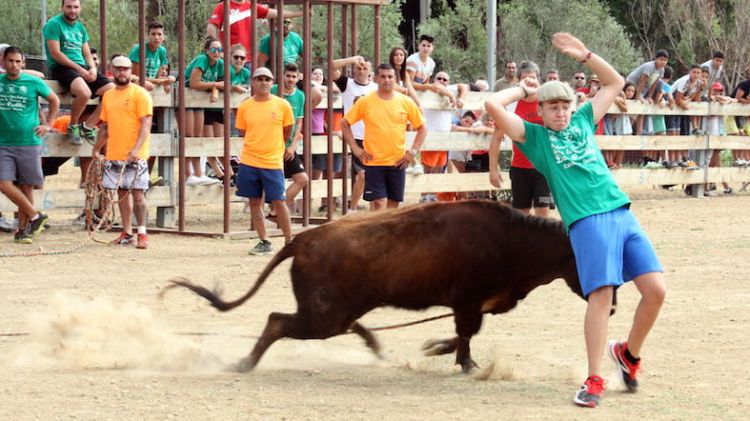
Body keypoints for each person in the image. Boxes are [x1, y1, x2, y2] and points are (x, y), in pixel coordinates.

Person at [485, 32, 666, 408]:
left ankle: (628, 355)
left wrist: (585, 55)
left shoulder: (584, 119)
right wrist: (522, 89)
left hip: (620, 211)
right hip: (586, 220)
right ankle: (594, 379)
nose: (561, 112)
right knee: (602, 295)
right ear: (541, 111)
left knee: (656, 292)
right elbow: (491, 103)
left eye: (564, 106)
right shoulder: (534, 138)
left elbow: (616, 82)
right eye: (552, 107)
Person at [341, 64, 427, 211]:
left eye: (390, 76)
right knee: (379, 202)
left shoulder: (406, 102)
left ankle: (389, 234)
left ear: (395, 79)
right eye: (383, 76)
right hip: (373, 162)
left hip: (398, 162)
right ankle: (376, 233)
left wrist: (412, 152)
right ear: (375, 78)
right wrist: (355, 149)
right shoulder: (365, 101)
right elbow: (344, 123)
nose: (386, 80)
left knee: (393, 205)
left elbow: (422, 127)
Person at [91, 56, 153, 249]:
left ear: (130, 71)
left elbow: (146, 124)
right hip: (115, 153)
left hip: (136, 154)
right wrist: (96, 148)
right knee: (122, 194)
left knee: (138, 195)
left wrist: (136, 149)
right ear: (112, 70)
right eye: (118, 69)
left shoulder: (140, 94)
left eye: (126, 69)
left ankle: (141, 232)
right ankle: (127, 232)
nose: (122, 73)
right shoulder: (108, 96)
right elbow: (105, 127)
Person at [0, 46, 60, 244]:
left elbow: (54, 100)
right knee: (4, 184)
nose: (14, 65)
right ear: (3, 62)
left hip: (29, 141)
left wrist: (48, 124)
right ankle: (36, 216)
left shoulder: (33, 82)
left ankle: (24, 230)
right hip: (4, 142)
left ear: (23, 63)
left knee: (26, 186)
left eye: (18, 61)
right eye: (10, 61)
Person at [235, 67, 294, 255]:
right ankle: (264, 240)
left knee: (279, 201)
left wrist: (277, 148)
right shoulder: (245, 106)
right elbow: (243, 131)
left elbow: (287, 130)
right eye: (259, 79)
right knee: (254, 202)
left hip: (272, 162)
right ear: (253, 82)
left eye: (267, 79)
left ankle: (289, 241)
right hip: (249, 161)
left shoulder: (282, 105)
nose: (263, 83)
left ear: (272, 82)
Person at [43, 0, 114, 145]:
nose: (72, 10)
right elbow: (55, 53)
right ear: (62, 7)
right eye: (69, 7)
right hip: (61, 67)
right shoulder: (54, 24)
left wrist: (93, 68)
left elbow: (87, 53)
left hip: (81, 67)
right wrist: (80, 69)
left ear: (80, 8)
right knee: (85, 93)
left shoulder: (80, 28)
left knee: (112, 92)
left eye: (76, 7)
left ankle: (88, 126)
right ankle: (73, 125)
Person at [489, 61, 552, 217]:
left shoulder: (547, 102)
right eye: (525, 78)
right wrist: (493, 169)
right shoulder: (511, 106)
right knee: (520, 214)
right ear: (518, 82)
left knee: (542, 212)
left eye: (532, 77)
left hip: (544, 167)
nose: (529, 81)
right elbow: (496, 137)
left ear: (538, 79)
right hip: (520, 167)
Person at [332, 55, 377, 211]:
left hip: (374, 137)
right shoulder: (347, 84)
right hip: (355, 137)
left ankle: (374, 211)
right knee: (363, 175)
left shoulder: (376, 88)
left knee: (373, 176)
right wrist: (352, 60)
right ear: (353, 69)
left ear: (370, 71)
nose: (361, 70)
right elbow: (331, 66)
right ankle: (353, 209)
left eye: (365, 68)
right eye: (359, 67)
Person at [207, 0, 301, 66]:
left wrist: (302, 12)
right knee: (229, 89)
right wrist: (219, 51)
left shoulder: (251, 6)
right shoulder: (223, 6)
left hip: (247, 60)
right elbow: (211, 27)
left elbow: (278, 13)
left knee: (247, 90)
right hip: (229, 59)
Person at [184, 37, 225, 186]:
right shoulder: (202, 59)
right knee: (189, 136)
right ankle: (187, 174)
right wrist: (215, 84)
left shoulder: (220, 64)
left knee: (198, 136)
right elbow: (194, 83)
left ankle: (198, 174)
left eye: (219, 49)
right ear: (207, 50)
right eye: (213, 49)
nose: (216, 52)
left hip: (198, 100)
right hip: (186, 97)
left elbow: (225, 83)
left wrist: (214, 88)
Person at [270, 63, 308, 215]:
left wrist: (292, 145)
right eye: (288, 76)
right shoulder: (273, 90)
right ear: (282, 76)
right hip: (272, 144)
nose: (290, 79)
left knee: (302, 179)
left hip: (288, 145)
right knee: (272, 181)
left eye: (294, 76)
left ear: (298, 77)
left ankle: (276, 210)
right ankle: (273, 210)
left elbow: (299, 121)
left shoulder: (300, 95)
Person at [129, 21, 175, 92]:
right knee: (149, 85)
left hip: (151, 82)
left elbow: (158, 76)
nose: (156, 37)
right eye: (153, 34)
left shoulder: (162, 51)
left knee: (169, 85)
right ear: (148, 36)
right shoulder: (138, 49)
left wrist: (168, 79)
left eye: (159, 34)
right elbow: (136, 77)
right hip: (134, 82)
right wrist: (158, 81)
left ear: (163, 37)